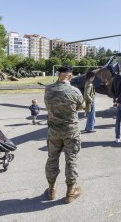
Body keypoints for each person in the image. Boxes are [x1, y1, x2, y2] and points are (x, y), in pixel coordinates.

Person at [44, 66, 85, 203]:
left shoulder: (48, 89)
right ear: (70, 76)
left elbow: (48, 106)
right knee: (71, 159)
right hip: (70, 132)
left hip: (54, 132)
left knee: (52, 159)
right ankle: (70, 192)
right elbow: (82, 106)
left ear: (59, 75)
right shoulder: (75, 91)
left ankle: (51, 189)